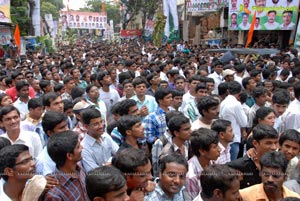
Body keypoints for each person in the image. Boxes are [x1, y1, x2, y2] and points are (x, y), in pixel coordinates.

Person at [227, 124, 279, 189]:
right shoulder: (237, 166)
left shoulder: (278, 163)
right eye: (268, 143)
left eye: (276, 143)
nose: (274, 147)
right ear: (255, 143)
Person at [44, 130, 89, 200]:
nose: (82, 147)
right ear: (69, 155)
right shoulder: (54, 194)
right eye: (78, 146)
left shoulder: (79, 168)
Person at [186, 128, 221, 199]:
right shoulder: (191, 176)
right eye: (215, 147)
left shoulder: (214, 161)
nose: (219, 149)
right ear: (202, 151)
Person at [81, 108, 119, 172]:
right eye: (96, 124)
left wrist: (109, 163)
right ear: (86, 127)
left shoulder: (106, 136)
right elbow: (94, 173)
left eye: (101, 121)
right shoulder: (84, 148)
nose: (101, 126)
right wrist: (112, 162)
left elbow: (119, 154)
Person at [220, 81, 247, 160]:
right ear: (239, 93)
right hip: (233, 137)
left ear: (228, 91)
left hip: (224, 135)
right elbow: (244, 123)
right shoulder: (236, 104)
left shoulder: (223, 102)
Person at [35, 111, 69, 176]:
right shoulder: (43, 161)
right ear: (50, 133)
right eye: (62, 128)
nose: (67, 129)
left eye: (66, 126)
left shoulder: (72, 148)